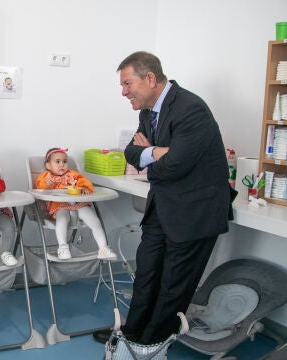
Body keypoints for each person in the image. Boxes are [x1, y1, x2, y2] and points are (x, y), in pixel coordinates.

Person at [93, 51, 233, 345]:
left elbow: (174, 166)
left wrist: (153, 154)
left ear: (150, 78)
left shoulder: (190, 108)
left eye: (127, 83)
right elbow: (131, 152)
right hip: (164, 205)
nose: (124, 92)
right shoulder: (148, 111)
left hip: (195, 212)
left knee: (174, 284)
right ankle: (132, 333)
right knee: (146, 272)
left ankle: (151, 344)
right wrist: (159, 151)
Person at [35, 148, 117, 260]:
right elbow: (40, 187)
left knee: (95, 220)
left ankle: (103, 248)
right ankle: (63, 247)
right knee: (62, 219)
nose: (62, 164)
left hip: (78, 203)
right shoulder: (46, 176)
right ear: (48, 165)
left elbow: (84, 182)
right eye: (57, 162)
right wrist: (47, 184)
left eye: (64, 161)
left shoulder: (73, 175)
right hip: (59, 206)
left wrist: (85, 188)